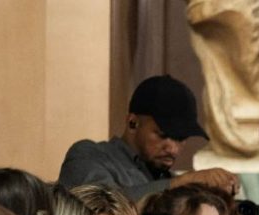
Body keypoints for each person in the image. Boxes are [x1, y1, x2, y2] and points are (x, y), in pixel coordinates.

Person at [58, 75, 238, 201]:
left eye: (181, 138)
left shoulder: (168, 179)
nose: (173, 148)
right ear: (132, 123)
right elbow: (104, 208)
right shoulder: (89, 155)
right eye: (163, 135)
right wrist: (181, 183)